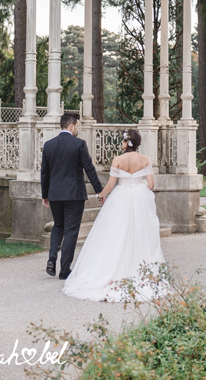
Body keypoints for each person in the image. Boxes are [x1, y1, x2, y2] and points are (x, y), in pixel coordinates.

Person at [62, 129, 167, 302]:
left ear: (127, 143)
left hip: (121, 197)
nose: (121, 144)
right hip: (139, 197)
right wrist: (138, 190)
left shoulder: (118, 160)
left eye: (122, 141)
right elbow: (151, 184)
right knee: (139, 233)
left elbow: (111, 185)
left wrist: (101, 195)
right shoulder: (145, 160)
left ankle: (113, 267)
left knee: (115, 232)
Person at [40, 112, 103, 280]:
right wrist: (99, 191)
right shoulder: (79, 144)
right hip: (74, 195)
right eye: (77, 127)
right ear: (71, 126)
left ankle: (52, 259)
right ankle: (64, 269)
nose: (77, 130)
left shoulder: (49, 145)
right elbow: (89, 168)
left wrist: (45, 194)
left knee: (58, 226)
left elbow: (44, 173)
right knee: (71, 231)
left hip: (54, 194)